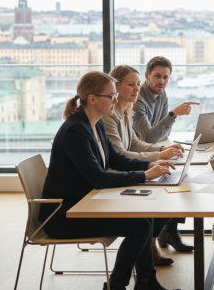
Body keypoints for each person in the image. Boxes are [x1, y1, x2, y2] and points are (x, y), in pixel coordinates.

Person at [39, 71, 179, 290]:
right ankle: (117, 286)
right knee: (140, 226)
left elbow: (116, 159)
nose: (116, 99)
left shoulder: (95, 124)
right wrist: (144, 176)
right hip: (64, 215)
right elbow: (97, 177)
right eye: (111, 96)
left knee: (145, 218)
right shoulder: (75, 131)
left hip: (86, 203)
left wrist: (149, 166)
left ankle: (146, 281)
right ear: (92, 99)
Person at [102, 65, 186, 267]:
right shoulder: (109, 116)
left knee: (172, 187)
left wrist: (161, 151)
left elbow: (134, 144)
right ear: (115, 86)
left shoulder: (125, 112)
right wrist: (158, 155)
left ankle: (153, 243)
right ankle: (151, 246)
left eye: (138, 84)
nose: (137, 89)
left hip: (128, 170)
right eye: (131, 84)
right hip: (117, 176)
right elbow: (120, 155)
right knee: (163, 194)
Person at [132, 56, 198, 253]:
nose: (162, 81)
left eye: (166, 77)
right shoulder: (137, 100)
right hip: (135, 155)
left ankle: (168, 231)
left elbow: (163, 134)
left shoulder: (162, 95)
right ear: (147, 75)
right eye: (157, 76)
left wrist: (156, 132)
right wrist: (173, 115)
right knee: (171, 178)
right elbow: (151, 136)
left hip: (149, 148)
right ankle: (159, 236)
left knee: (180, 177)